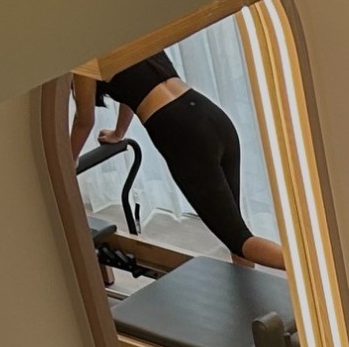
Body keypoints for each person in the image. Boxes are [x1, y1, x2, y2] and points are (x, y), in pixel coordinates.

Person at [70, 52, 286, 271]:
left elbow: (83, 120)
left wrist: (69, 160)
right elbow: (131, 92)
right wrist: (118, 133)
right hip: (211, 116)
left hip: (182, 133)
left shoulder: (84, 58)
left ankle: (307, 261)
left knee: (239, 239)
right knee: (233, 227)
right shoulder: (122, 41)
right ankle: (249, 284)